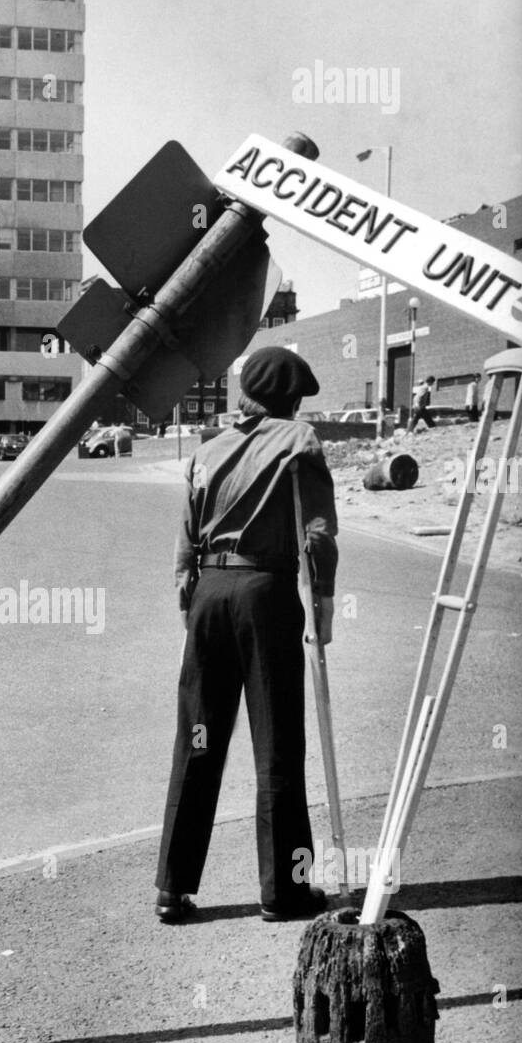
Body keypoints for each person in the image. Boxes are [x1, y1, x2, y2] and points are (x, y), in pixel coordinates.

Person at [153, 345, 338, 924]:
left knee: (199, 738)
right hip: (265, 594)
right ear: (291, 398)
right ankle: (283, 890)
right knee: (278, 742)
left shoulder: (207, 451)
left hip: (209, 593)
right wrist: (324, 607)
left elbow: (186, 542)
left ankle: (173, 888)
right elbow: (317, 535)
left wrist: (191, 604)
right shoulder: (299, 442)